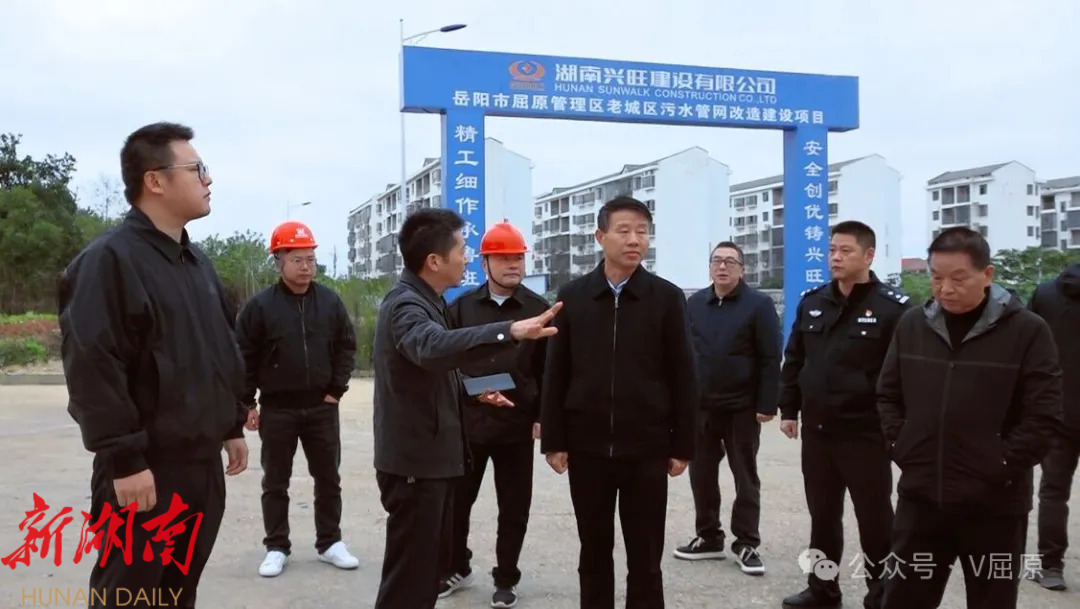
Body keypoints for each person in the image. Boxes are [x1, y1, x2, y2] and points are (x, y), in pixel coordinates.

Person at [57, 122, 249, 608]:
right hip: (146, 472)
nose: (208, 179)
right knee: (130, 596)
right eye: (197, 169)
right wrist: (125, 460)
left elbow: (220, 348)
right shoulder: (109, 261)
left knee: (178, 594)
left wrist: (231, 424)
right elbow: (93, 367)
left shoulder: (196, 263)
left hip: (200, 467)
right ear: (155, 180)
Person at [371, 208, 562, 609]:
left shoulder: (431, 301)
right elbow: (430, 347)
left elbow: (436, 373)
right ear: (434, 260)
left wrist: (475, 390)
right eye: (461, 250)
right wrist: (509, 330)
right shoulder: (407, 305)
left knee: (421, 575)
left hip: (435, 458)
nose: (466, 258)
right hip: (416, 465)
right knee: (409, 578)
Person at [877, 226, 1063, 608]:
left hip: (995, 504)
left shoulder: (1028, 331)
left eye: (958, 279)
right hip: (922, 499)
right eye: (936, 277)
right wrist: (902, 445)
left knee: (991, 600)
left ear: (987, 274)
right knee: (903, 598)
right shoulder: (912, 325)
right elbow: (888, 394)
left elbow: (1044, 414)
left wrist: (1001, 463)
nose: (945, 289)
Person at [541, 195, 698, 609]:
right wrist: (554, 438)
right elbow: (556, 372)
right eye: (624, 231)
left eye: (642, 232)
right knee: (593, 551)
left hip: (646, 448)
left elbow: (684, 374)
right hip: (587, 447)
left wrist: (683, 444)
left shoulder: (666, 298)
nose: (634, 240)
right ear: (600, 236)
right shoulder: (573, 297)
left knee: (645, 556)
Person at [777, 221, 911, 609]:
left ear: (868, 256)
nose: (835, 257)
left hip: (866, 433)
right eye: (832, 250)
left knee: (875, 519)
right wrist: (789, 409)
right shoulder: (813, 301)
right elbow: (795, 359)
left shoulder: (893, 309)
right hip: (819, 432)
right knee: (823, 517)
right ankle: (823, 590)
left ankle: (881, 594)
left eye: (845, 251)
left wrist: (896, 428)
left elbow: (904, 375)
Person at [234, 220, 359, 578]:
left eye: (311, 260)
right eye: (297, 260)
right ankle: (276, 547)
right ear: (279, 261)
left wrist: (336, 390)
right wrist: (247, 404)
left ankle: (330, 542)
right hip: (278, 408)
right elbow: (244, 357)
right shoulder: (260, 307)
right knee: (275, 481)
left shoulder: (330, 302)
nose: (306, 267)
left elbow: (346, 347)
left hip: (322, 406)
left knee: (328, 478)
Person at [441, 222, 551, 607]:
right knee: (457, 502)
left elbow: (548, 369)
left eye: (518, 257)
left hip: (516, 424)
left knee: (514, 506)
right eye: (503, 258)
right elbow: (446, 361)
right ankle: (456, 565)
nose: (513, 264)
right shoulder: (461, 308)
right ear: (485, 263)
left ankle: (506, 577)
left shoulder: (538, 310)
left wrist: (542, 415)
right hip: (469, 423)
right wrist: (473, 391)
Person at [673, 241, 781, 576]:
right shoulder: (694, 304)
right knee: (701, 475)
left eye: (730, 262)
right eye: (717, 261)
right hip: (702, 407)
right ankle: (708, 536)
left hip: (742, 408)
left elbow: (770, 357)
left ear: (742, 269)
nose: (722, 267)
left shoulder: (758, 305)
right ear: (710, 267)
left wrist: (767, 403)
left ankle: (746, 542)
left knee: (744, 476)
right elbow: (683, 354)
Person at [1027, 263, 1080, 591]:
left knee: (1053, 492)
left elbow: (1027, 349)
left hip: (1059, 411)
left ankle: (1050, 567)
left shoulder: (1046, 294)